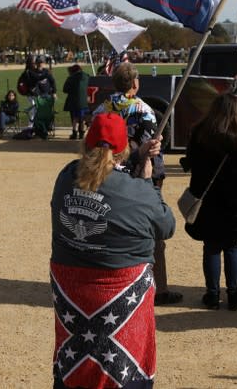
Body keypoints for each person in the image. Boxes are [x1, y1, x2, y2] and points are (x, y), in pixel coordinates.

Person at [50, 112, 174, 389]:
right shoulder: (136, 190)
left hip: (74, 298)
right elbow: (166, 226)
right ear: (123, 149)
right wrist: (147, 183)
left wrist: (135, 158)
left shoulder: (65, 178)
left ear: (85, 144)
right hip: (121, 303)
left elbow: (100, 175)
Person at [93, 62, 182, 306]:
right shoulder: (144, 109)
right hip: (140, 174)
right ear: (135, 83)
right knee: (154, 232)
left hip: (108, 173)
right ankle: (159, 288)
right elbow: (150, 148)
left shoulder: (101, 109)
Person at [184, 92, 237, 311]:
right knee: (232, 247)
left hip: (208, 199)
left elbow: (190, 162)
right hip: (235, 200)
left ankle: (212, 294)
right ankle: (234, 295)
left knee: (211, 247)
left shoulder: (200, 132)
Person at [62, 63, 89, 140]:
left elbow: (65, 90)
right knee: (83, 118)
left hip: (74, 102)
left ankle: (74, 133)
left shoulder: (71, 78)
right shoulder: (87, 76)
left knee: (75, 118)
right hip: (85, 102)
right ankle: (82, 133)